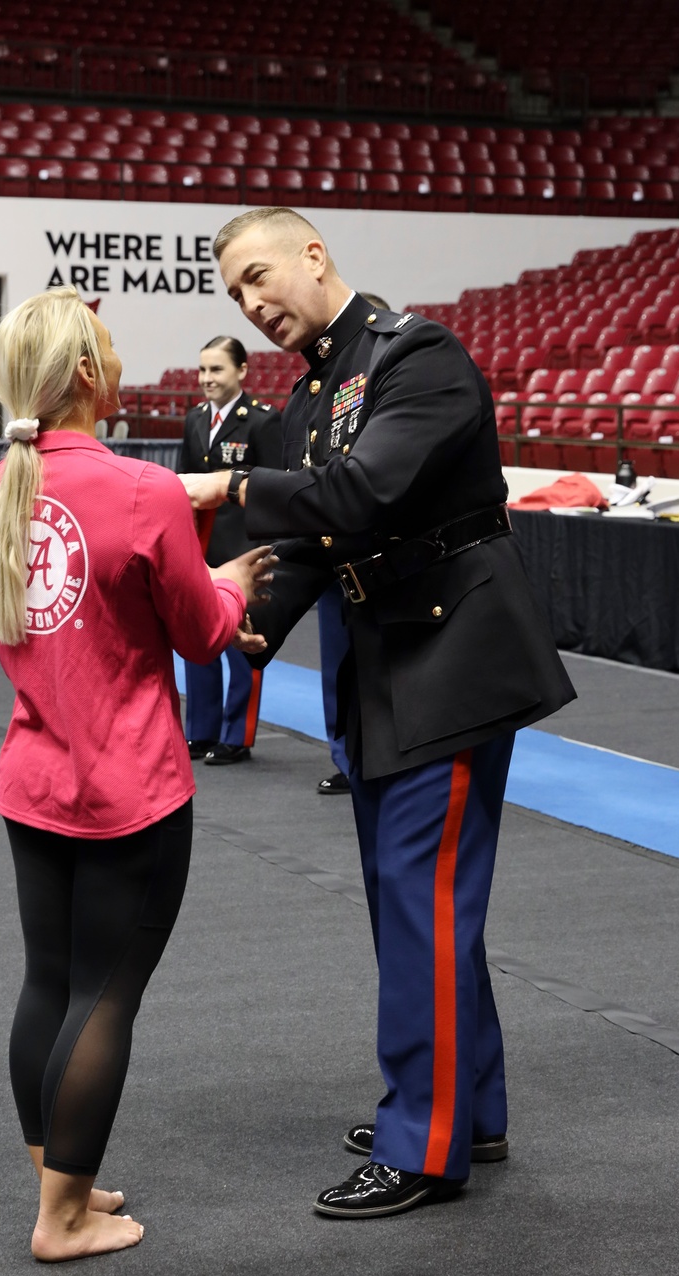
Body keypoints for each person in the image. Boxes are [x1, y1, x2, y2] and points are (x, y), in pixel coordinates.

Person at [180, 208, 576, 1220]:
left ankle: (422, 1139)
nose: (253, 303)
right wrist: (244, 623)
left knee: (420, 897)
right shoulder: (316, 387)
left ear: (314, 254)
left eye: (260, 275)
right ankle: (465, 1106)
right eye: (235, 295)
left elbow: (358, 495)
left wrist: (224, 481)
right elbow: (315, 544)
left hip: (450, 658)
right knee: (416, 900)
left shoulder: (419, 354)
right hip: (388, 661)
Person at [0, 287, 274, 1260]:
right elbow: (197, 631)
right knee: (105, 994)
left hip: (34, 776)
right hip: (129, 787)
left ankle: (63, 1181)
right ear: (90, 375)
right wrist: (231, 587)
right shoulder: (137, 491)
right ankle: (60, 1217)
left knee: (49, 982)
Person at [177, 336, 283, 765]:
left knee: (243, 647)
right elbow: (183, 485)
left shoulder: (262, 421)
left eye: (216, 370)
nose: (207, 379)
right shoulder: (194, 419)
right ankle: (201, 730)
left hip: (242, 548)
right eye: (203, 370)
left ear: (241, 371)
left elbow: (275, 489)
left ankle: (236, 735)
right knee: (198, 639)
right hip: (198, 548)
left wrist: (266, 550)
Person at [315, 294, 391, 797]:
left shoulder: (395, 382)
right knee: (333, 662)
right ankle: (344, 756)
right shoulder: (325, 393)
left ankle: (376, 753)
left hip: (381, 556)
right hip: (329, 551)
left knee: (378, 662)